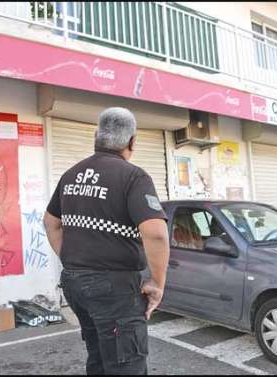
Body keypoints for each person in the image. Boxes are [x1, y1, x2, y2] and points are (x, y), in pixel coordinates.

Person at [43, 107, 170, 375]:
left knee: (99, 356)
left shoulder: (71, 175)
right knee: (125, 364)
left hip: (75, 283)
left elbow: (51, 223)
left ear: (96, 136)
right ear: (132, 141)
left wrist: (73, 260)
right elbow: (156, 233)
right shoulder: (134, 176)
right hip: (114, 288)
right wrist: (157, 284)